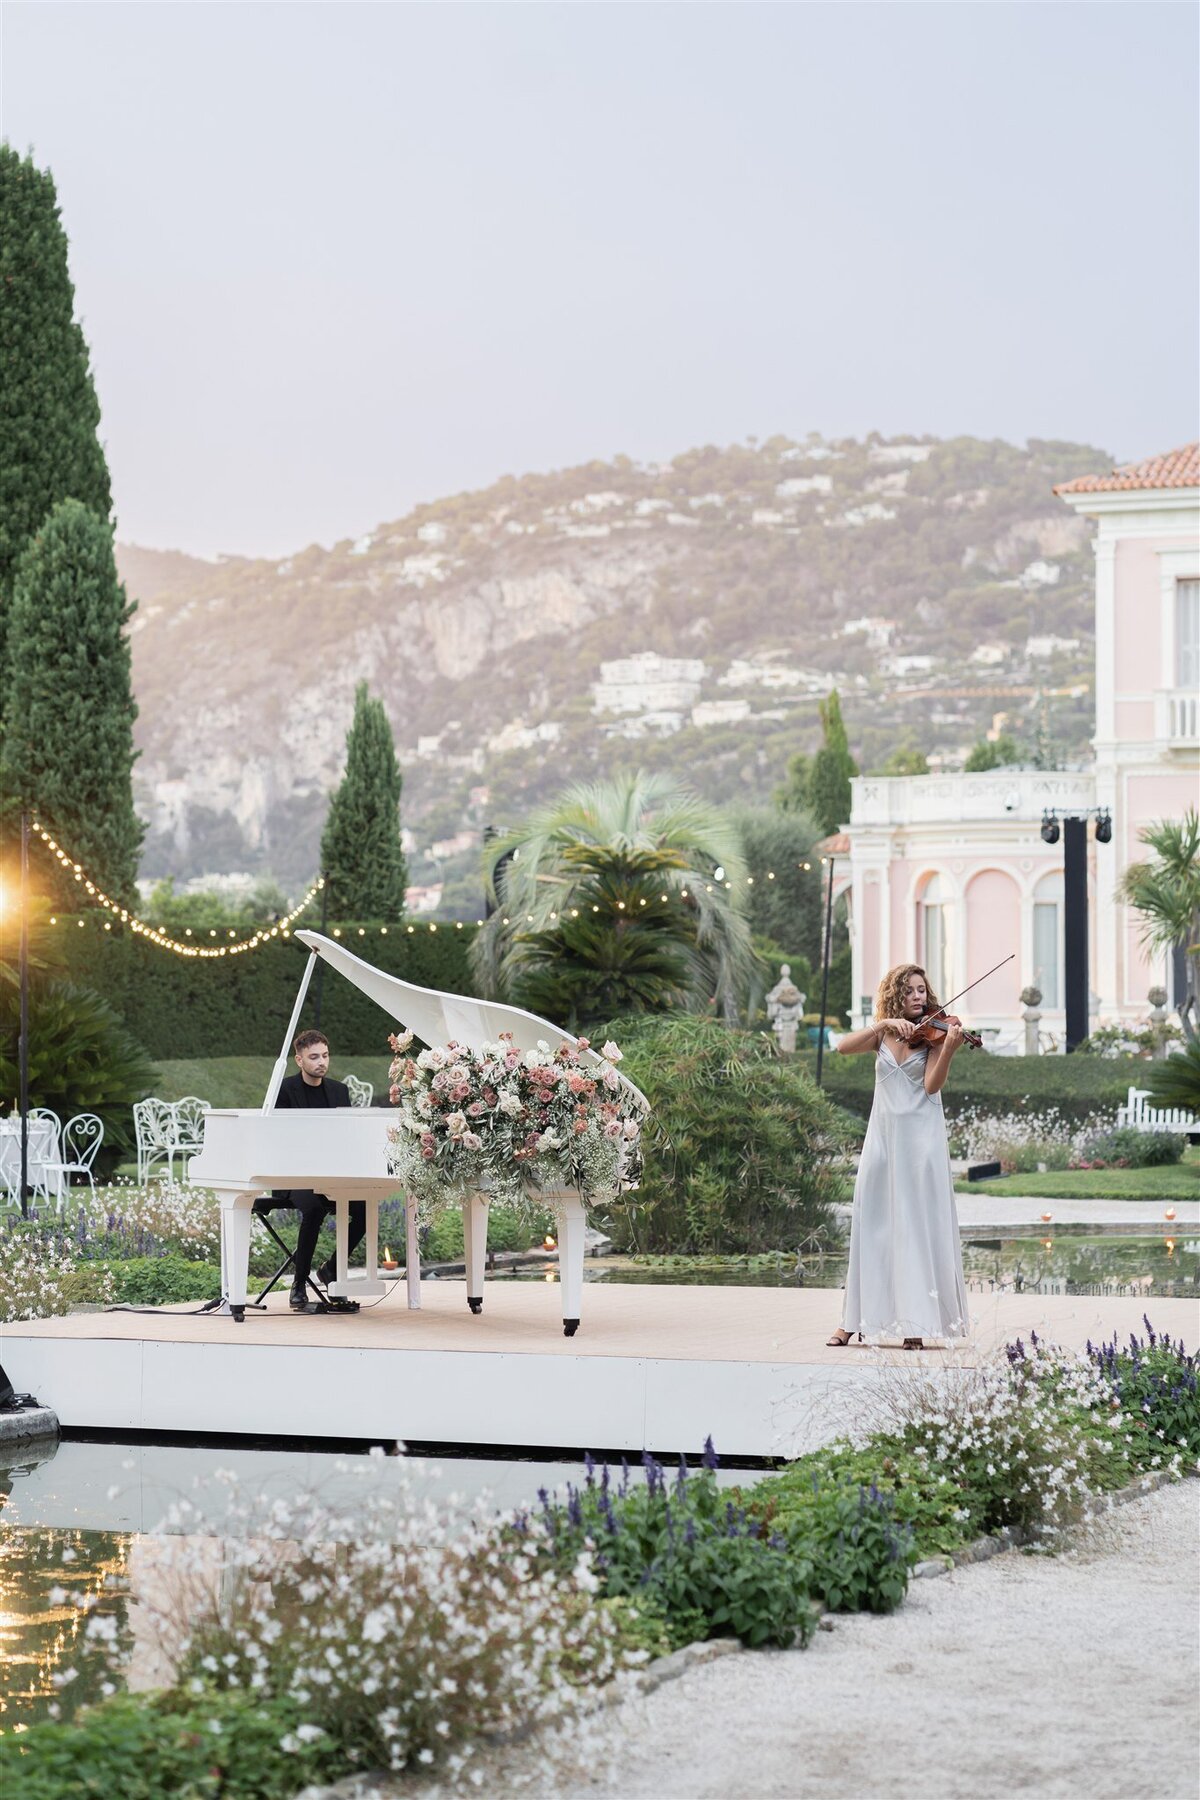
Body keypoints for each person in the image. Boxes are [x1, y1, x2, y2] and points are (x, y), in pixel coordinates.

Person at [828, 963, 969, 1350]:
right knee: (872, 1226)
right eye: (909, 991)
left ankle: (916, 1324)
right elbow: (841, 1046)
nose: (918, 996)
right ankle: (851, 1320)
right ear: (895, 996)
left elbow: (931, 1086)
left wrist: (950, 1051)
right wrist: (884, 1024)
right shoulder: (884, 1035)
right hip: (883, 1141)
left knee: (914, 1231)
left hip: (920, 1144)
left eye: (922, 989)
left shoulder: (937, 1035)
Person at [272, 1028, 366, 1311]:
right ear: (299, 1060)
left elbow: (346, 1136)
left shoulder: (339, 1090)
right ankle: (298, 1285)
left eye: (325, 1056)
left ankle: (332, 1272)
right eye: (314, 1057)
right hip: (293, 1177)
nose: (321, 1062)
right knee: (313, 1208)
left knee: (364, 1209)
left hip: (330, 1176)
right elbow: (277, 1138)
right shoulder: (285, 1090)